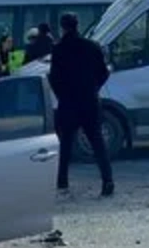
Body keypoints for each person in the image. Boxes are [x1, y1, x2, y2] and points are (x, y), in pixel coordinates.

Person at [48, 12, 113, 197]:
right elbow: (104, 72)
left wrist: (62, 95)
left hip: (68, 103)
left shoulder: (59, 49)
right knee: (97, 142)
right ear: (77, 25)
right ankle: (107, 181)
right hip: (89, 101)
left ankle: (62, 183)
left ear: (63, 27)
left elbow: (54, 78)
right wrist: (94, 88)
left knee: (65, 144)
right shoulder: (92, 47)